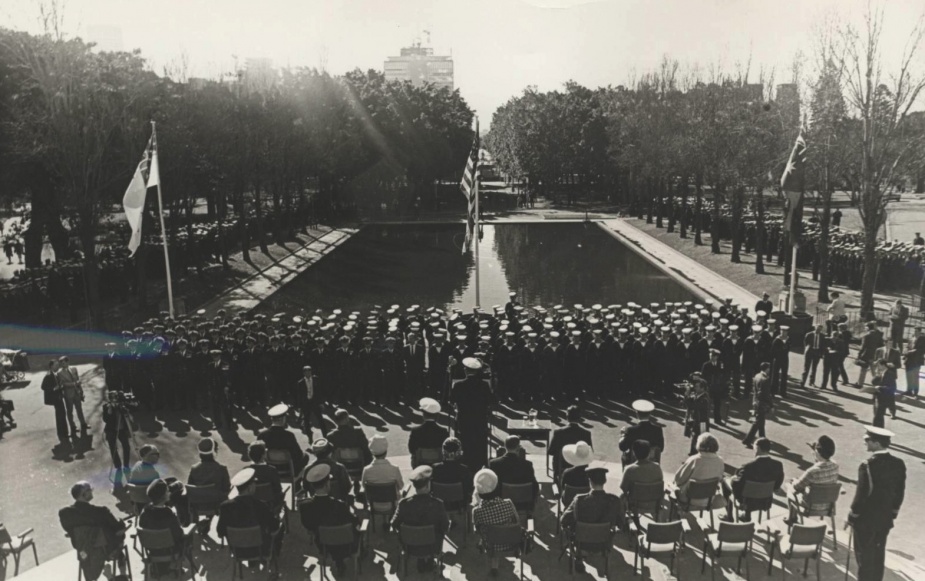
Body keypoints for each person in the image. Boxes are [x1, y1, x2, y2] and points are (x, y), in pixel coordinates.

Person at [849, 426, 906, 581]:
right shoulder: (898, 463)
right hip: (885, 519)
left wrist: (852, 515)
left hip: (865, 521)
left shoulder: (866, 465)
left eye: (868, 440)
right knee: (878, 556)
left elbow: (861, 495)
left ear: (877, 443)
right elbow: (899, 492)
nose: (865, 443)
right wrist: (893, 512)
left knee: (864, 557)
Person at [560, 462, 623, 573]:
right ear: (605, 481)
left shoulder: (579, 500)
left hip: (581, 544)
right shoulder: (614, 500)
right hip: (604, 544)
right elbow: (621, 523)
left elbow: (563, 521)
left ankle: (578, 559)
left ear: (590, 481)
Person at [59, 480, 128, 581]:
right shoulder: (101, 512)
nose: (91, 492)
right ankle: (122, 574)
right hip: (106, 550)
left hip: (84, 552)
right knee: (119, 538)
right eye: (89, 490)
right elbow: (117, 527)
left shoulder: (65, 514)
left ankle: (109, 575)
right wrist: (121, 523)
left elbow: (68, 530)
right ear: (83, 494)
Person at [298, 464, 359, 576]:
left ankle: (338, 561)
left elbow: (308, 526)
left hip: (323, 544)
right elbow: (354, 522)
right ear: (327, 484)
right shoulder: (339, 505)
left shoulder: (304, 506)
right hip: (346, 544)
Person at [218, 469, 283, 572]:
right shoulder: (261, 505)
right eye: (254, 484)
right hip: (261, 550)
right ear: (249, 488)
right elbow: (274, 528)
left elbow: (220, 531)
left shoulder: (225, 507)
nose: (255, 486)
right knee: (279, 527)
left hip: (237, 550)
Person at [391, 466, 450, 572]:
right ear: (428, 485)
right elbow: (445, 526)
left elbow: (394, 524)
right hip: (433, 546)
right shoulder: (438, 504)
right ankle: (429, 559)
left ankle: (421, 559)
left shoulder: (404, 504)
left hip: (410, 546)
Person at [138, 479, 195, 572]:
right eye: (167, 491)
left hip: (152, 551)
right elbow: (179, 535)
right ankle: (178, 563)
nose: (169, 493)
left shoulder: (144, 511)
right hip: (171, 551)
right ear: (163, 496)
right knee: (188, 536)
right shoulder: (168, 514)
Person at [472, 468, 519, 576]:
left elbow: (476, 530)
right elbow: (516, 521)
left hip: (490, 544)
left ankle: (494, 567)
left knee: (490, 534)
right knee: (497, 531)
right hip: (510, 541)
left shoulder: (477, 511)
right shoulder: (508, 503)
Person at [450, 357, 495, 470]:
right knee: (480, 444)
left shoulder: (459, 385)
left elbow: (451, 400)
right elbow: (491, 401)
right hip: (480, 421)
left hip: (464, 421)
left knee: (465, 444)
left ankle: (465, 465)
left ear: (466, 370)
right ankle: (480, 465)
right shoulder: (484, 385)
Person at [725, 438, 784, 521]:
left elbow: (737, 485)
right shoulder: (778, 465)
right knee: (752, 487)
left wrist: (732, 480)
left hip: (746, 502)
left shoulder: (748, 467)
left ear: (758, 448)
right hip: (765, 500)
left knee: (726, 482)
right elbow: (778, 484)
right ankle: (746, 515)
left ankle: (729, 516)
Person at [786, 435, 838, 525]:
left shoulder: (812, 472)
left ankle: (791, 518)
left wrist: (794, 481)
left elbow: (797, 487)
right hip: (828, 505)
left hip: (810, 507)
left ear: (817, 452)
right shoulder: (835, 465)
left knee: (790, 489)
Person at [674, 433, 727, 504]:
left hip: (689, 498)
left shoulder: (694, 460)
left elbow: (679, 479)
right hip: (709, 499)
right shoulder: (720, 461)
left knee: (673, 488)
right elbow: (719, 479)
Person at [362, 434, 403, 521]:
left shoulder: (366, 470)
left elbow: (364, 487)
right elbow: (401, 486)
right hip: (392, 504)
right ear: (386, 451)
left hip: (374, 505)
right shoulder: (394, 469)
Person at [257, 403, 308, 474]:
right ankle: (297, 482)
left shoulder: (262, 435)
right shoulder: (289, 435)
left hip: (270, 469)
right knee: (306, 457)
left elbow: (258, 455)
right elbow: (298, 455)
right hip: (288, 470)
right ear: (283, 419)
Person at [488, 436, 539, 504]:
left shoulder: (493, 464)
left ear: (505, 446)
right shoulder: (527, 465)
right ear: (518, 448)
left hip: (501, 502)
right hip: (523, 502)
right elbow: (535, 486)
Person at [102, 391, 135, 489]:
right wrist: (109, 411)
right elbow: (105, 419)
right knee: (113, 448)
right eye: (112, 398)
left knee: (126, 446)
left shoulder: (122, 406)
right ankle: (118, 466)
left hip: (121, 430)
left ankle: (126, 465)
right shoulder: (106, 406)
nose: (114, 400)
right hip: (111, 431)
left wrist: (124, 410)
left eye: (115, 397)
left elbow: (129, 416)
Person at [549, 405, 593, 478]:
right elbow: (590, 452)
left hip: (561, 469)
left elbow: (551, 451)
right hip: (581, 470)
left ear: (567, 417)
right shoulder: (586, 434)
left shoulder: (558, 432)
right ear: (579, 418)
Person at [431, 437, 473, 511]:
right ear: (459, 453)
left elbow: (431, 488)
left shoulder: (435, 468)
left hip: (439, 506)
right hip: (459, 506)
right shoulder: (464, 470)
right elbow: (469, 489)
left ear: (443, 452)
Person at [187, 437, 232, 506]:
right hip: (217, 503)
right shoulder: (221, 469)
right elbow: (226, 489)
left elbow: (190, 486)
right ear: (214, 452)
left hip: (199, 504)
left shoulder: (194, 469)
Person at [408, 397, 450, 467]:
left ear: (423, 415)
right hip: (438, 464)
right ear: (437, 415)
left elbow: (411, 449)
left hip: (420, 464)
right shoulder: (443, 431)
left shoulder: (415, 431)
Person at [743, 362, 774, 448]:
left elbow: (755, 391)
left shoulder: (757, 376)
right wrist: (771, 405)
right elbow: (766, 394)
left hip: (756, 402)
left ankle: (762, 439)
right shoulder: (765, 379)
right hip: (762, 404)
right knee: (757, 423)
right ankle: (748, 440)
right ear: (766, 369)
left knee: (761, 422)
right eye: (769, 368)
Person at [56, 355, 89, 434]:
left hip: (76, 393)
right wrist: (74, 384)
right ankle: (73, 426)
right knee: (70, 411)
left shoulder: (74, 369)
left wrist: (81, 392)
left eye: (64, 363)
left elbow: (78, 381)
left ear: (68, 362)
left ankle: (83, 424)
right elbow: (63, 384)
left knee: (79, 409)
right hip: (68, 395)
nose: (63, 365)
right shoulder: (59, 373)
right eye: (61, 363)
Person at [247, 441, 283, 511]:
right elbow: (278, 489)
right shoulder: (271, 470)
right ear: (264, 454)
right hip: (269, 504)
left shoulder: (246, 470)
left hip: (251, 505)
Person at [296, 365, 327, 442]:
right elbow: (299, 395)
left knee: (320, 419)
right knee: (306, 421)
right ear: (304, 373)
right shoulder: (300, 382)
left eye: (309, 371)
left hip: (315, 402)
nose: (308, 373)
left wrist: (321, 403)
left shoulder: (316, 379)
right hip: (306, 403)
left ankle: (325, 435)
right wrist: (300, 407)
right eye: (306, 372)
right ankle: (310, 437)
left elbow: (320, 392)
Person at [42, 359, 69, 444]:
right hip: (55, 398)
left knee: (62, 414)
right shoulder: (48, 375)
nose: (58, 367)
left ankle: (65, 432)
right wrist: (54, 389)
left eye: (58, 365)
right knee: (59, 415)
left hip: (59, 397)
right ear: (51, 366)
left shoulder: (55, 374)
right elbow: (43, 387)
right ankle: (62, 434)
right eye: (56, 365)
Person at [683, 374, 711, 455]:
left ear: (702, 388)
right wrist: (686, 396)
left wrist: (687, 396)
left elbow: (693, 406)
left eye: (697, 387)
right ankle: (693, 452)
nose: (695, 388)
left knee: (700, 438)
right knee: (695, 436)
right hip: (697, 421)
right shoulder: (698, 395)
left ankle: (696, 453)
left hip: (701, 422)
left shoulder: (704, 399)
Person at [857, 321, 884, 387]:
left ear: (868, 328)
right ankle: (877, 383)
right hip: (875, 355)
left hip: (866, 354)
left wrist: (859, 355)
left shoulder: (866, 336)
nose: (865, 328)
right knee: (873, 371)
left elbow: (863, 347)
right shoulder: (878, 335)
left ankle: (860, 383)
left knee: (863, 370)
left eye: (866, 327)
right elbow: (881, 345)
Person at [902, 327, 924, 396]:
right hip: (909, 360)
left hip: (916, 360)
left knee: (915, 376)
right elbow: (908, 347)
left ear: (920, 332)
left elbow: (921, 350)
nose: (915, 333)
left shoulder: (923, 339)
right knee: (909, 376)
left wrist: (909, 352)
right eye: (914, 331)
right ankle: (909, 391)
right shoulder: (911, 339)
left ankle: (915, 392)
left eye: (917, 331)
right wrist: (905, 353)